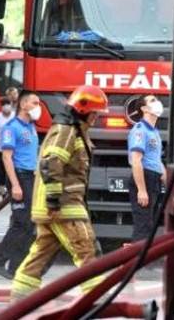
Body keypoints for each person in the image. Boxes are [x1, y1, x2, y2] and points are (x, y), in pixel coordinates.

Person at [11, 85, 107, 300]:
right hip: (64, 207)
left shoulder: (73, 130)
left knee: (39, 256)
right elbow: (51, 162)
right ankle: (98, 303)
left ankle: (19, 302)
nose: (97, 117)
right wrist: (54, 200)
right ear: (84, 111)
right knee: (86, 251)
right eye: (95, 113)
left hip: (57, 206)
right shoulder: (67, 131)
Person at [0, 92, 40, 280]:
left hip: (31, 177)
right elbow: (6, 157)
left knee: (30, 224)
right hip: (19, 177)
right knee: (21, 222)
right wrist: (15, 185)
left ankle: (16, 268)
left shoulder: (31, 127)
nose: (38, 106)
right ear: (24, 105)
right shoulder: (11, 128)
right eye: (35, 102)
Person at [128, 95, 166, 242]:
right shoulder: (140, 130)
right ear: (144, 109)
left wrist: (168, 182)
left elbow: (157, 161)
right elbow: (136, 161)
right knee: (143, 226)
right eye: (152, 101)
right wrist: (141, 190)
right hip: (144, 178)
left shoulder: (154, 132)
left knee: (150, 225)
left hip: (153, 179)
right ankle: (137, 262)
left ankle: (143, 260)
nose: (158, 103)